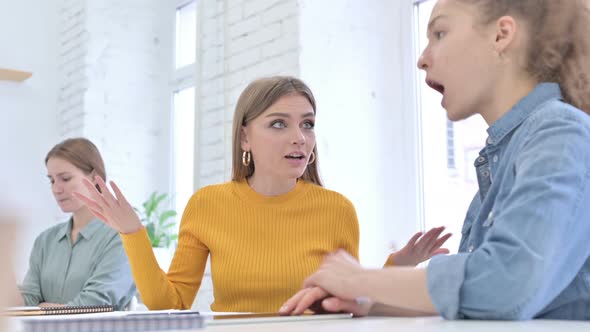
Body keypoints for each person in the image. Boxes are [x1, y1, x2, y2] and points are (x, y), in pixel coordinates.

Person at [280, 0, 590, 320]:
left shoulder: (562, 132)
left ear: (501, 35)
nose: (422, 59)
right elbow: (476, 302)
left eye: (440, 33)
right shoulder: (501, 163)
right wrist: (365, 301)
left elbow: (506, 284)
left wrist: (359, 278)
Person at [75, 76, 450, 312]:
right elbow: (169, 302)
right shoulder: (207, 205)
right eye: (278, 124)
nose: (299, 137)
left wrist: (396, 269)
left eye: (307, 124)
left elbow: (349, 304)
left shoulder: (337, 209)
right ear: (244, 137)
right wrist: (132, 233)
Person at [17, 138, 136, 310]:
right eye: (52, 180)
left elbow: (94, 304)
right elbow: (29, 300)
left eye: (65, 179)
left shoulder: (121, 236)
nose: (56, 189)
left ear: (95, 178)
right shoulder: (45, 240)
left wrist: (43, 308)